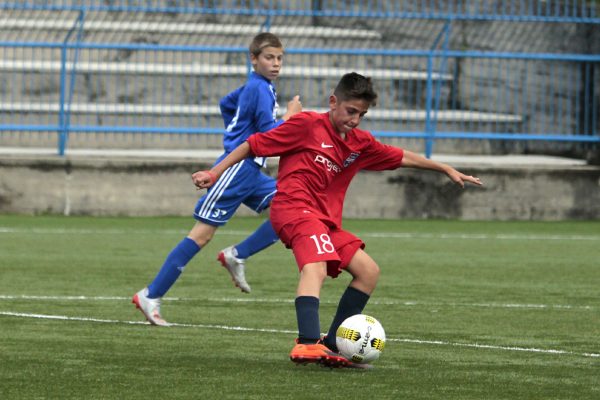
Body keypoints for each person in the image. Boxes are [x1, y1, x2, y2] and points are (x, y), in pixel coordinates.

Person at [192, 72, 482, 367]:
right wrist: (214, 173)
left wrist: (444, 167)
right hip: (293, 208)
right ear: (333, 102)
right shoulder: (306, 126)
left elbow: (402, 157)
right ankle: (306, 344)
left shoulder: (359, 143)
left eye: (362, 114)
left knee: (368, 271)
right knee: (314, 266)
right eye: (351, 111)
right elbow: (252, 145)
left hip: (324, 220)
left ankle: (333, 345)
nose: (355, 119)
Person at [132, 32, 302, 326]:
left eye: (279, 58)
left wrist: (235, 132)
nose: (275, 64)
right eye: (269, 58)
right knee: (202, 235)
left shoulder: (259, 86)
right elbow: (268, 132)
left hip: (251, 170)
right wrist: (291, 117)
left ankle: (238, 254)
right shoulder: (259, 89)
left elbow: (226, 104)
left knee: (292, 208)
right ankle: (151, 294)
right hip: (237, 170)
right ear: (253, 59)